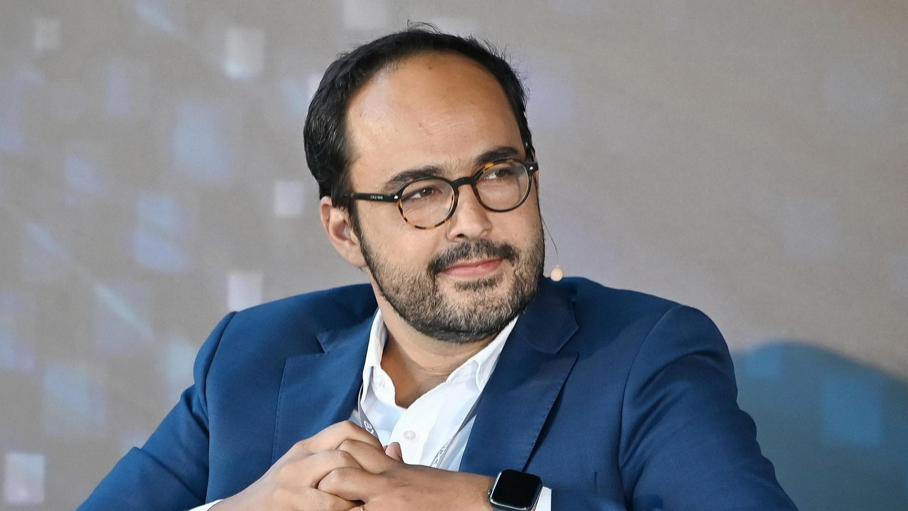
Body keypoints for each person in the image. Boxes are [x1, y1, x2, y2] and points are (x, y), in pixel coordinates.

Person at [78, 26, 798, 511]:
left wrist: (492, 504)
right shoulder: (252, 355)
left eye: (498, 172)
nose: (474, 220)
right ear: (344, 229)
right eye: (420, 192)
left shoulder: (644, 355)